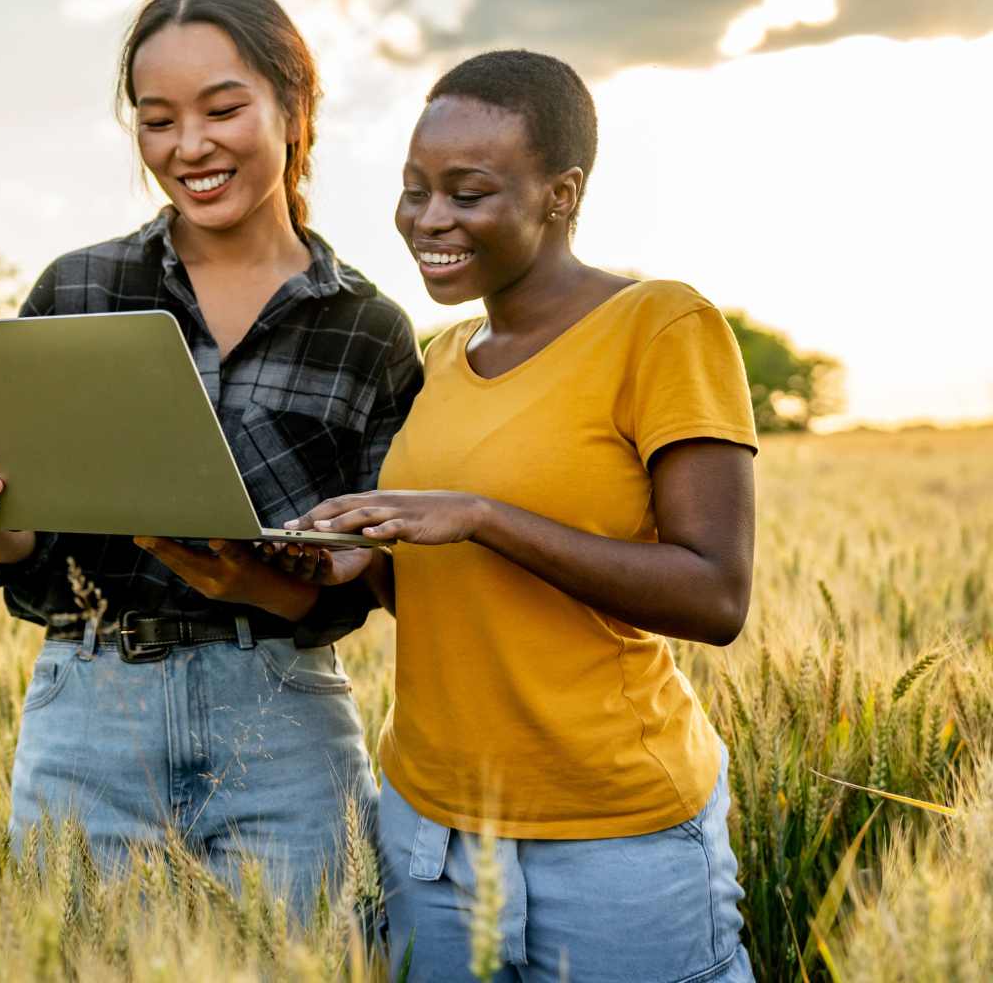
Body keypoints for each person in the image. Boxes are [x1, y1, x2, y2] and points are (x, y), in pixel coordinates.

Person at [0, 0, 422, 916]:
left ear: (294, 103)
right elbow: (25, 561)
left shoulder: (369, 329)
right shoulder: (79, 289)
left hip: (282, 711)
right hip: (91, 708)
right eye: (156, 121)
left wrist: (329, 565)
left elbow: (387, 575)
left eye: (222, 108)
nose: (189, 146)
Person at [288, 49, 758, 981]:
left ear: (561, 191)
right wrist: (363, 563)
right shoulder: (445, 355)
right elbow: (455, 588)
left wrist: (482, 516)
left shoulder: (660, 326)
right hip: (433, 836)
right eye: (415, 189)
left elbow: (715, 597)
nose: (430, 220)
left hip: (613, 845)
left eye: (467, 192)